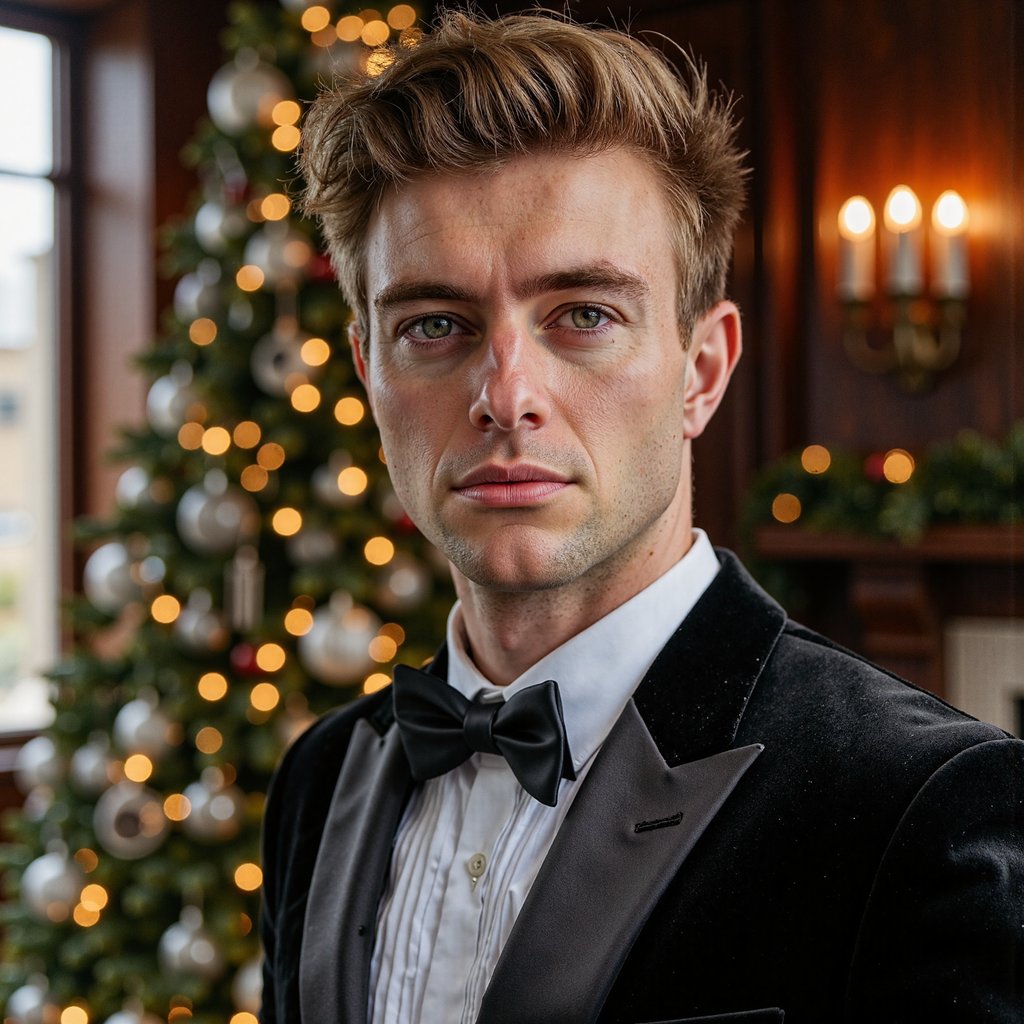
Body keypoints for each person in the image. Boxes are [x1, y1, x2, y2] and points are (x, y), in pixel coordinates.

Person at [259, 11, 1023, 1023]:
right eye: (435, 325)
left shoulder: (923, 804)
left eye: (583, 315)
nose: (506, 393)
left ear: (701, 371)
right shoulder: (321, 777)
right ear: (368, 371)